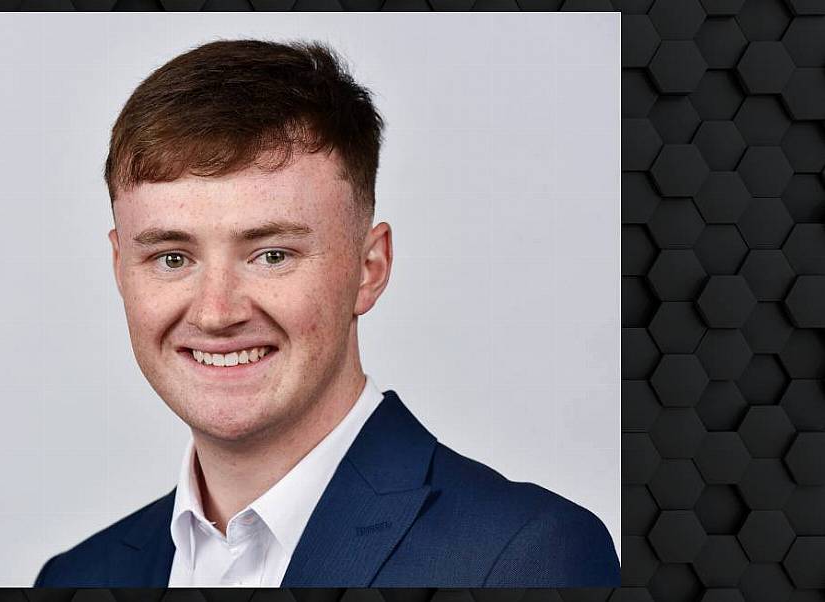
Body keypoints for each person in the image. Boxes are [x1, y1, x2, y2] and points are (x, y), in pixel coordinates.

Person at [34, 39, 620, 588]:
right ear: (119, 268)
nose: (216, 312)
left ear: (370, 268)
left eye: (271, 254)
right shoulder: (77, 576)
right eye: (170, 257)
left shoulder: (525, 559)